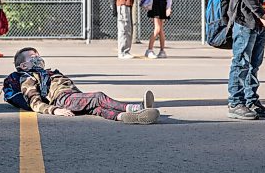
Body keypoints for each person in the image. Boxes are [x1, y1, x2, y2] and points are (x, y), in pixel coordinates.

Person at [14, 47, 159, 124]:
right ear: (24, 65)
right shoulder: (27, 78)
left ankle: (125, 117)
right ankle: (137, 108)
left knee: (98, 108)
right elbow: (34, 102)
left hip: (71, 97)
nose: (38, 58)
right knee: (98, 97)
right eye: (33, 57)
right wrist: (55, 110)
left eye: (38, 55)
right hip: (63, 99)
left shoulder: (48, 72)